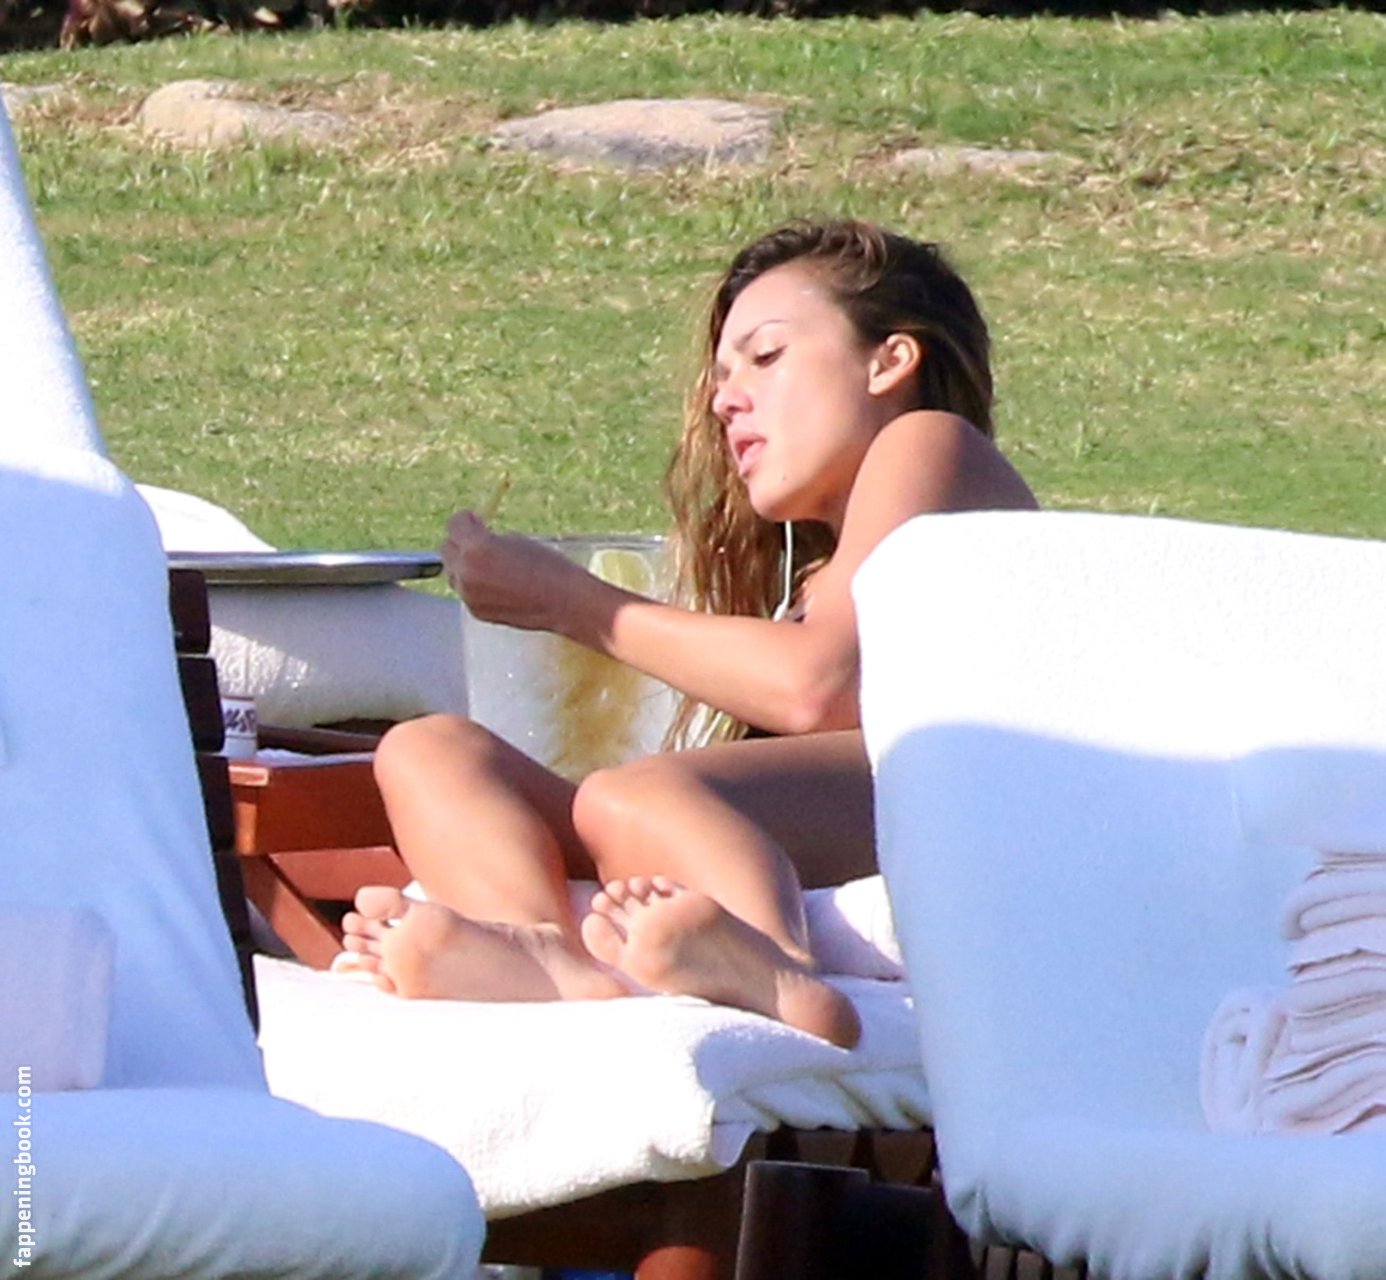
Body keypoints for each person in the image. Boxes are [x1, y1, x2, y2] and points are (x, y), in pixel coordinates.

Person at [338, 218, 1038, 1048]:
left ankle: (777, 967)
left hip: (966, 795)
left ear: (889, 361)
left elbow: (815, 687)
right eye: (722, 377)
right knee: (431, 750)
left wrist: (572, 603)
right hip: (850, 810)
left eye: (766, 356)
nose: (725, 399)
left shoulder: (930, 444)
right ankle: (539, 950)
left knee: (636, 795)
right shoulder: (812, 574)